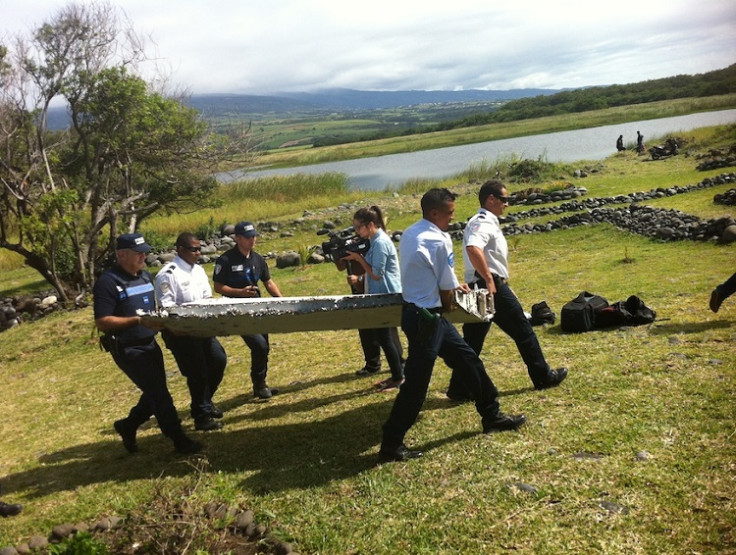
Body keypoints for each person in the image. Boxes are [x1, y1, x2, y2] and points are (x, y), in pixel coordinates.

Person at [379, 188, 526, 463]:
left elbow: (429, 272)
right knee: (416, 386)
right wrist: (452, 296)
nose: (452, 218)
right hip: (430, 319)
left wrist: (448, 286)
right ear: (434, 213)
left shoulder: (411, 232)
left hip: (416, 313)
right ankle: (390, 444)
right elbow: (447, 297)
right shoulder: (439, 239)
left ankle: (491, 415)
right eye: (449, 213)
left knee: (469, 361)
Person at [446, 180, 568, 402]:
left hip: (484, 285)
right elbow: (473, 249)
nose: (507, 204)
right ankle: (543, 376)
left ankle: (459, 388)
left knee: (473, 341)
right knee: (523, 331)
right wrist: (489, 280)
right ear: (491, 199)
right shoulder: (482, 222)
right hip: (492, 287)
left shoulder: (485, 221)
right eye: (504, 199)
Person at [93, 233, 202, 455]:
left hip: (149, 343)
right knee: (159, 394)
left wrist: (169, 325)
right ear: (122, 254)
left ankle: (128, 425)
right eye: (138, 253)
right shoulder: (108, 282)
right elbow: (102, 322)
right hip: (127, 347)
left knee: (153, 391)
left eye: (145, 252)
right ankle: (179, 440)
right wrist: (138, 321)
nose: (144, 256)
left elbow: (152, 312)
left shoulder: (144, 277)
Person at [155, 232, 228, 431]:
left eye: (200, 249)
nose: (198, 253)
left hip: (202, 329)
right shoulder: (168, 274)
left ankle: (204, 401)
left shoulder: (198, 271)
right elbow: (167, 308)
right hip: (181, 333)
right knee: (197, 372)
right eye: (194, 249)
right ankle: (201, 416)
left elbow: (206, 298)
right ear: (180, 250)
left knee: (218, 361)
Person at [213, 222, 283, 399]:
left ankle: (261, 384)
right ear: (237, 238)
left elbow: (268, 282)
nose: (253, 240)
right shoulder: (225, 260)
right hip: (238, 311)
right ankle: (259, 385)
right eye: (248, 237)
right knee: (258, 345)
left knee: (264, 346)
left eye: (254, 236)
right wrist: (240, 293)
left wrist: (282, 301)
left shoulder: (258, 258)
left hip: (258, 309)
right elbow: (218, 287)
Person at [342, 206, 405, 391]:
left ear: (370, 225)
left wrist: (358, 258)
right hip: (379, 293)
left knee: (385, 337)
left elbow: (377, 274)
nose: (357, 231)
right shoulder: (373, 240)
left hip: (386, 293)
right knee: (384, 336)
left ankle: (398, 376)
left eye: (358, 227)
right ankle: (397, 374)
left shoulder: (380, 242)